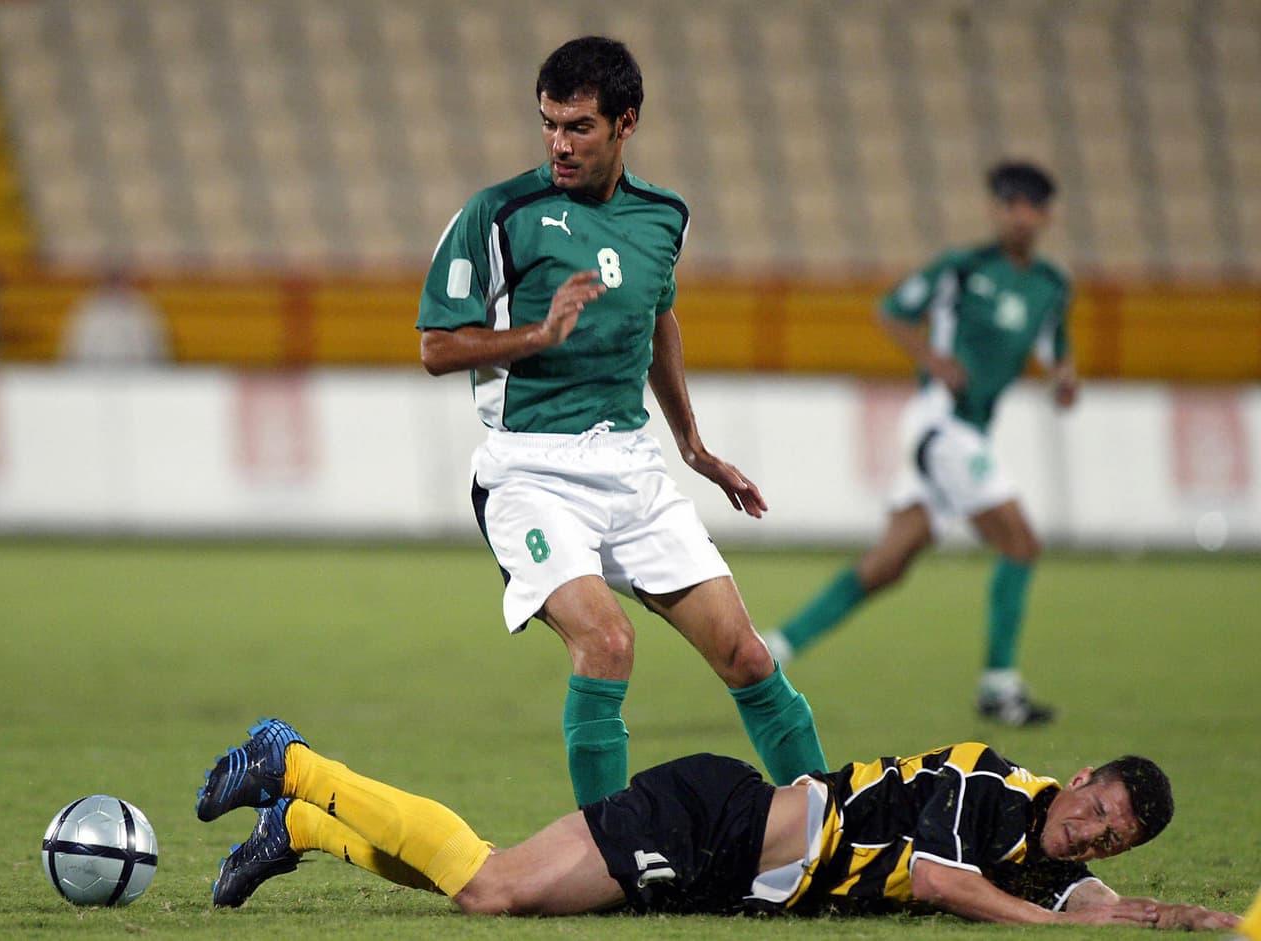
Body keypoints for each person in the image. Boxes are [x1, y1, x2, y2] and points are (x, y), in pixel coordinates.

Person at [415, 35, 825, 806]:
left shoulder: (664, 216)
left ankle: (837, 826)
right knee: (606, 644)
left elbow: (658, 319)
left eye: (579, 127)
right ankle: (606, 853)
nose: (559, 144)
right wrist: (536, 337)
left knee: (746, 654)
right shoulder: (499, 214)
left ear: (625, 123)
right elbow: (438, 347)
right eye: (549, 125)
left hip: (630, 467)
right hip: (529, 472)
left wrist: (693, 446)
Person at [194, 717, 1240, 930]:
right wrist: (1054, 926)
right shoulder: (994, 785)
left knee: (500, 887)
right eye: (1097, 806)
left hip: (723, 870)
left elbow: (1097, 900)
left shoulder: (1042, 852)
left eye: (1110, 836)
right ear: (1083, 773)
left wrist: (1186, 919)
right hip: (715, 816)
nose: (1090, 833)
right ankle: (295, 760)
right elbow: (933, 878)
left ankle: (307, 830)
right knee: (492, 883)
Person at [764, 160, 1078, 727]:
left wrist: (1064, 380)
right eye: (1008, 203)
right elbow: (891, 310)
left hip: (968, 431)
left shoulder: (1051, 287)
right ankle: (998, 686)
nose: (1019, 215)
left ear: (1046, 215)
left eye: (1030, 205)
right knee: (1021, 543)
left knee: (888, 563)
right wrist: (932, 359)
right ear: (995, 209)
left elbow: (1057, 353)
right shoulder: (963, 268)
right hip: (941, 424)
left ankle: (774, 649)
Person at [60, 269, 171, 366]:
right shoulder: (87, 309)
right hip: (92, 375)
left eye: (119, 280)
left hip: (138, 374)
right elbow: (73, 351)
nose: (116, 286)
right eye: (113, 280)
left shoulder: (143, 309)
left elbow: (155, 351)